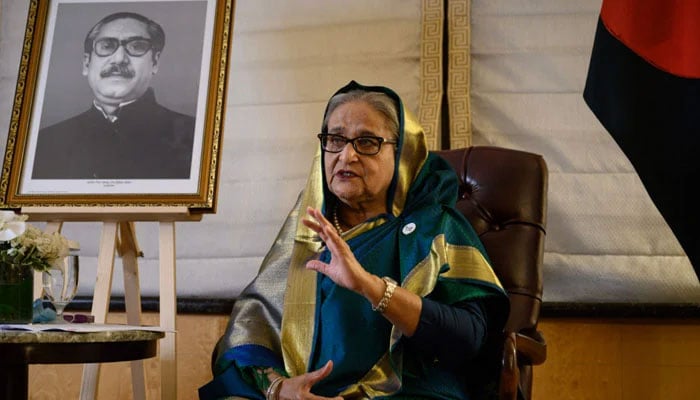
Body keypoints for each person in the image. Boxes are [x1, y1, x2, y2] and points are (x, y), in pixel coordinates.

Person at [199, 81, 509, 400]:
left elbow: (469, 338)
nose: (347, 155)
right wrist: (279, 388)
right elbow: (252, 332)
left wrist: (370, 287)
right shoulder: (306, 228)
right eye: (335, 140)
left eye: (366, 142)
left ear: (403, 153)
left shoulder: (436, 225)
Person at [32, 12, 195, 180]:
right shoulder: (44, 144)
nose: (118, 59)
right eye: (107, 46)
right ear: (86, 64)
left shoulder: (194, 137)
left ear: (155, 62)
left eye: (137, 46)